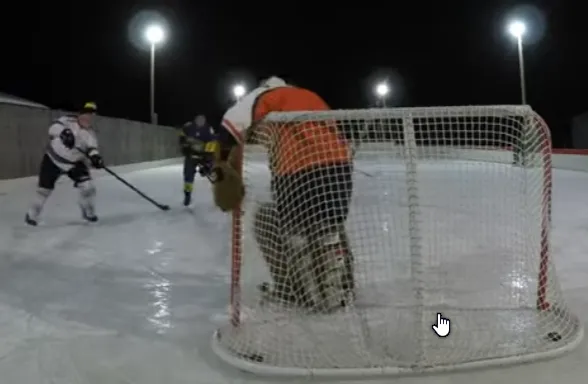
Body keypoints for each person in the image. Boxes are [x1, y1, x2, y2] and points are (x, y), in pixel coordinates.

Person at [211, 76, 355, 312]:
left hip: (296, 169)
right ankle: (337, 294)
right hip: (339, 167)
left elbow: (230, 124)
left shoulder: (266, 94)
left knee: (285, 229)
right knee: (329, 229)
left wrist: (220, 162)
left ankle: (299, 294)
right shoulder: (309, 95)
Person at [25, 102, 104, 226]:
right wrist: (64, 134)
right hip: (53, 159)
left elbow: (92, 148)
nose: (88, 118)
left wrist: (96, 158)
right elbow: (53, 129)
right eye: (85, 114)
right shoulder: (67, 121)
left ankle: (88, 211)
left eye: (91, 116)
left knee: (88, 187)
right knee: (44, 190)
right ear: (79, 114)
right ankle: (32, 214)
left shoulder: (90, 134)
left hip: (75, 163)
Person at [177, 114, 218, 206]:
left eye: (202, 121)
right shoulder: (188, 127)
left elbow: (212, 143)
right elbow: (181, 139)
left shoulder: (209, 129)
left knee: (212, 173)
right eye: (198, 120)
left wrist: (207, 161)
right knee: (188, 176)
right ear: (195, 120)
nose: (200, 122)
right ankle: (187, 194)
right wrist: (185, 149)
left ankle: (219, 196)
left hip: (204, 156)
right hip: (190, 156)